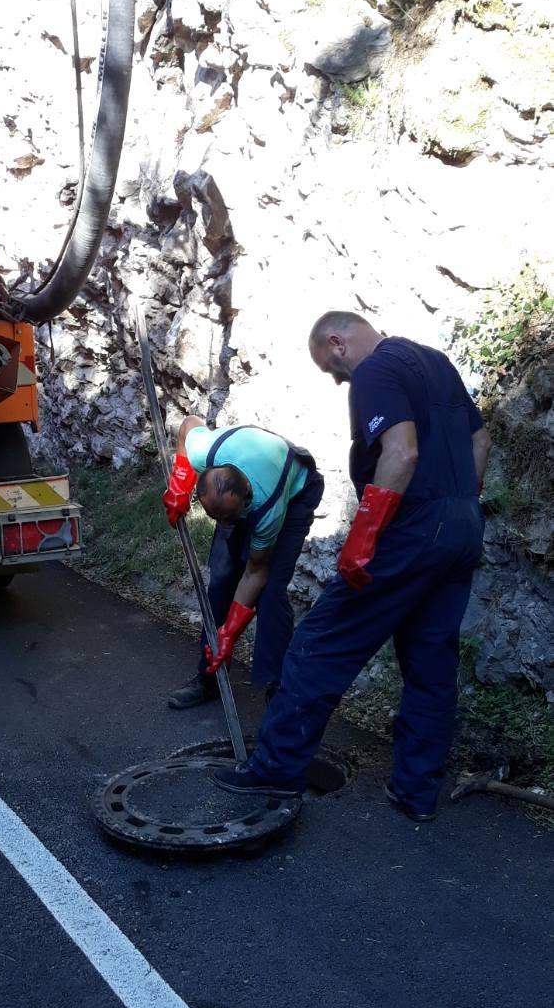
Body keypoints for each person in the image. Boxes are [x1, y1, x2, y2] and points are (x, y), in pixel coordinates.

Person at [214, 311, 491, 822]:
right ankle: (416, 793)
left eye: (332, 370)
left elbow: (401, 453)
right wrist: (457, 509)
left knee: (319, 647)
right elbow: (480, 442)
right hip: (461, 528)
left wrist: (364, 536)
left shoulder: (376, 370)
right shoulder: (437, 363)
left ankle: (274, 771)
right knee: (431, 665)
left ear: (337, 343)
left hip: (409, 529)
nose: (339, 380)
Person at [161, 415, 325, 708]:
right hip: (246, 475)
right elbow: (188, 426)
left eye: (229, 517)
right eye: (217, 518)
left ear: (244, 497)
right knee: (222, 580)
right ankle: (208, 679)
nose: (224, 523)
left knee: (270, 592)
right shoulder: (206, 452)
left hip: (296, 492)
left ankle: (280, 689)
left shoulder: (268, 509)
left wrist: (230, 631)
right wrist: (180, 482)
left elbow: (254, 573)